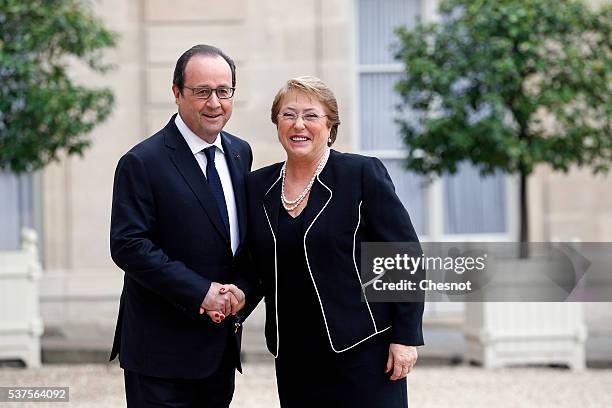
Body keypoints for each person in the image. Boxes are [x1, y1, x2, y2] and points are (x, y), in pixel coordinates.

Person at [245, 76, 424, 407]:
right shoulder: (258, 187)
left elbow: (403, 256)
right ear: (277, 123)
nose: (299, 124)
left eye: (311, 115)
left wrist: (405, 337)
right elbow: (254, 265)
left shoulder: (360, 174)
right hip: (295, 356)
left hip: (365, 349)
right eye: (288, 114)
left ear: (330, 126)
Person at [109, 44, 253, 408]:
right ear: (176, 93)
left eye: (224, 91)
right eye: (202, 92)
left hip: (218, 350)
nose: (214, 103)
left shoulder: (241, 153)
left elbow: (239, 241)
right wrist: (201, 291)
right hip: (160, 355)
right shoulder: (142, 161)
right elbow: (129, 245)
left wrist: (243, 293)